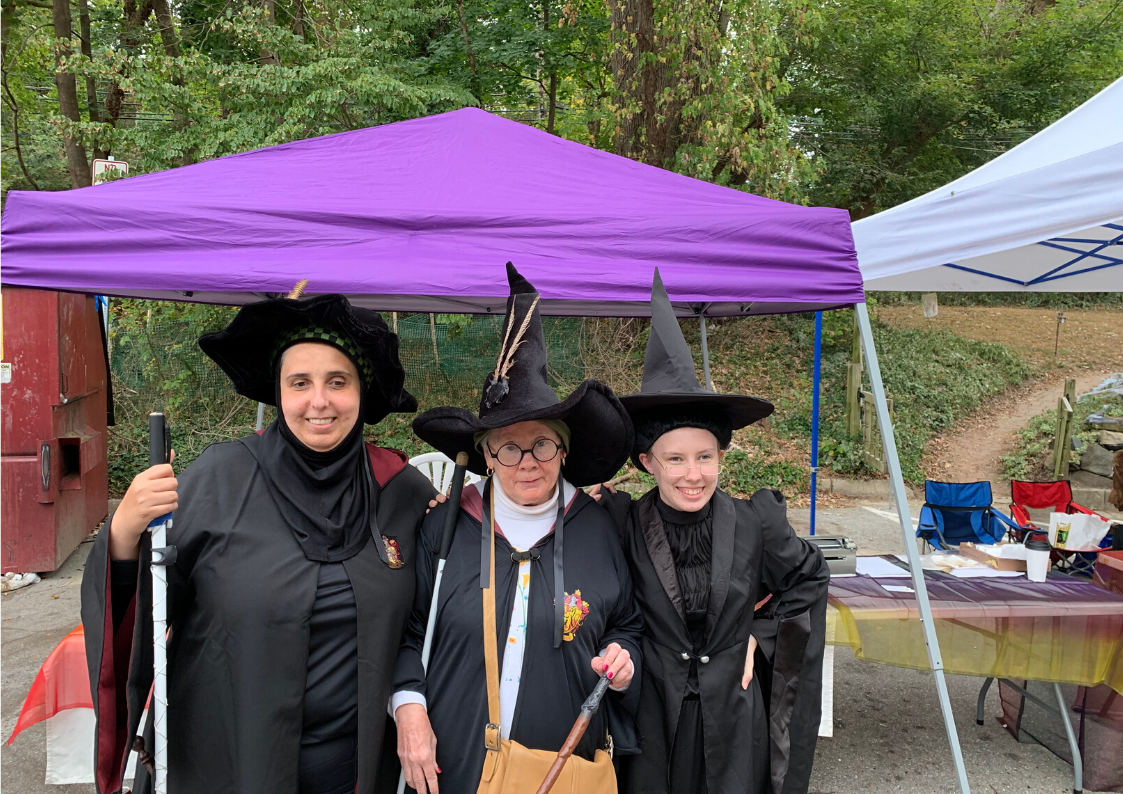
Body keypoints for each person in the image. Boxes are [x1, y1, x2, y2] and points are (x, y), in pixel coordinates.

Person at [81, 291, 438, 794]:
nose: (319, 401)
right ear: (278, 392)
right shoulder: (220, 479)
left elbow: (442, 607)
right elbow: (146, 605)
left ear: (361, 390)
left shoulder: (400, 491)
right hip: (227, 763)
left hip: (354, 771)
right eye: (300, 383)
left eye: (338, 381)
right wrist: (124, 534)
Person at [391, 264, 644, 794]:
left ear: (565, 449)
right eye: (509, 446)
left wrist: (624, 659)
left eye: (543, 444)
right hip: (453, 762)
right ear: (486, 454)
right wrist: (409, 710)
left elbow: (628, 625)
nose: (528, 462)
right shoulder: (445, 527)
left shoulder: (599, 529)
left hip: (560, 768)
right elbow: (408, 632)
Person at [592, 270, 829, 794]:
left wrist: (760, 635)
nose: (692, 474)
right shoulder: (621, 521)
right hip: (653, 714)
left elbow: (808, 581)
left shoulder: (755, 521)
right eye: (674, 459)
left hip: (733, 714)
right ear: (646, 462)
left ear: (722, 455)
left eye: (704, 457)